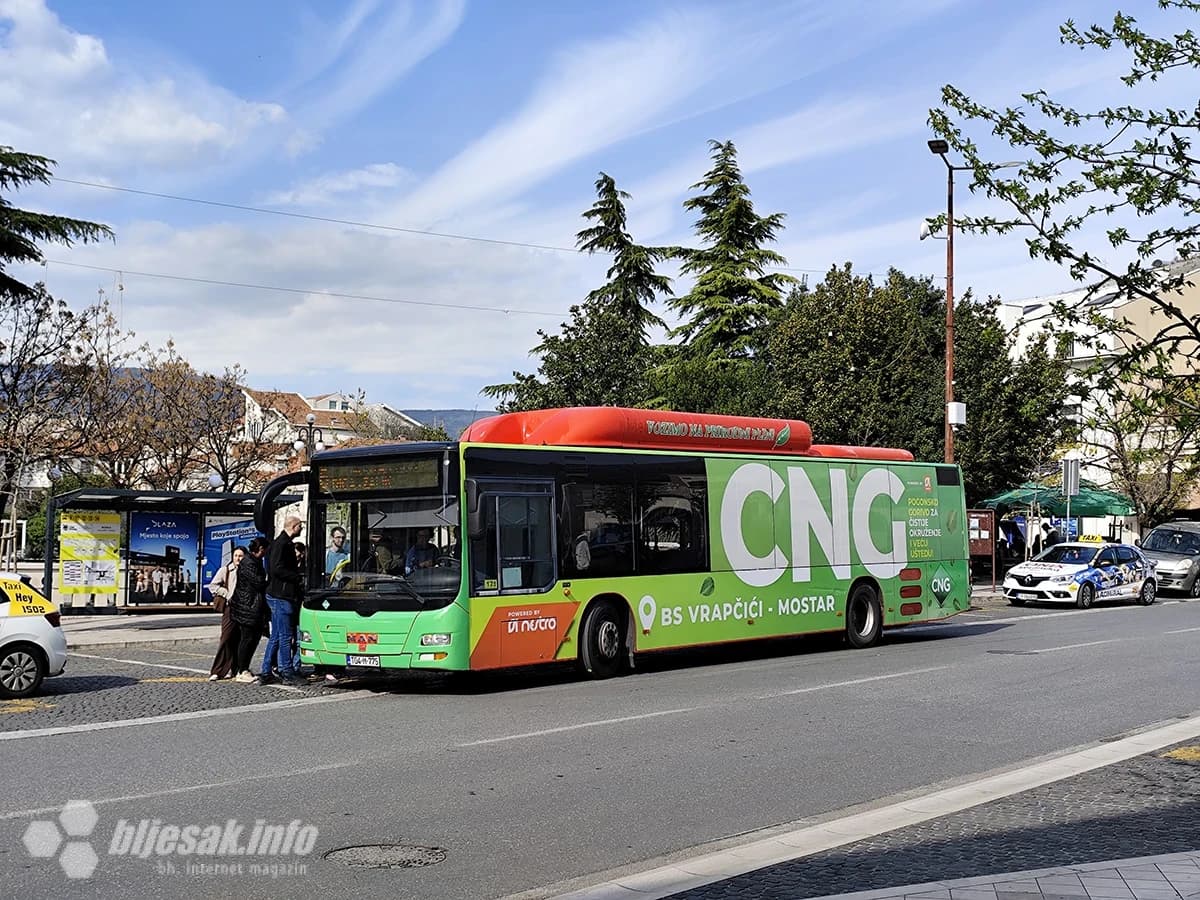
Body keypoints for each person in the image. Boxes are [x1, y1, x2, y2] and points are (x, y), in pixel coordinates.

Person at [260, 516, 305, 686]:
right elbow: (277, 569)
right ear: (294, 527)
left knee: (277, 636)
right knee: (285, 636)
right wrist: (297, 578)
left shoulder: (280, 543)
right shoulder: (282, 544)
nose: (301, 529)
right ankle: (287, 671)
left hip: (278, 594)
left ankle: (266, 671)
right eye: (300, 526)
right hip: (281, 595)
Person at [229, 538, 270, 682]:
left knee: (253, 639)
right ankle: (241, 670)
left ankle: (244, 668)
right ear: (260, 549)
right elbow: (258, 582)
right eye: (265, 550)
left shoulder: (254, 561)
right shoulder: (248, 562)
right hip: (247, 606)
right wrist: (268, 580)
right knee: (247, 639)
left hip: (253, 606)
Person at [206, 547, 245, 681]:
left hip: (244, 609)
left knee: (239, 640)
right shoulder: (226, 570)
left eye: (241, 556)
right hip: (230, 608)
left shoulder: (247, 571)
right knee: (226, 638)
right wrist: (226, 593)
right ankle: (217, 670)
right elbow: (213, 586)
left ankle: (236, 669)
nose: (238, 558)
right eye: (236, 556)